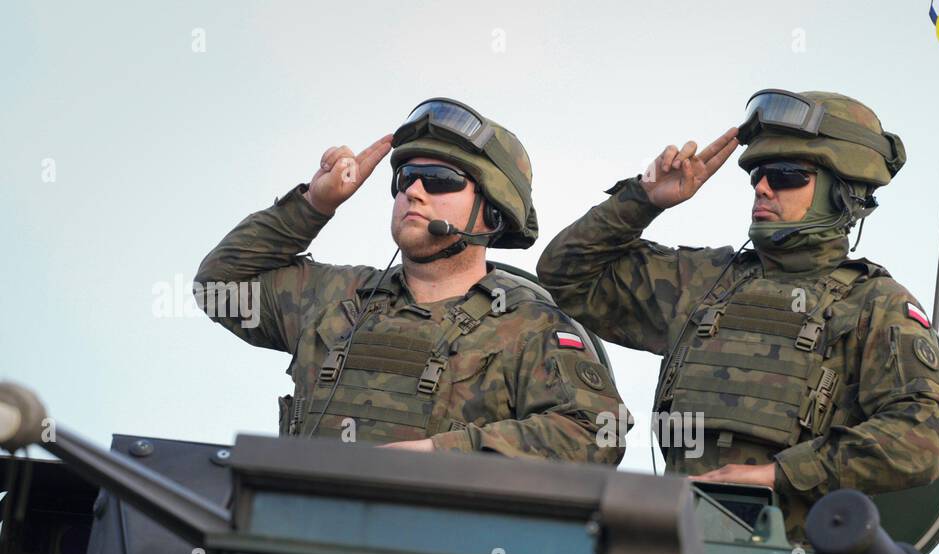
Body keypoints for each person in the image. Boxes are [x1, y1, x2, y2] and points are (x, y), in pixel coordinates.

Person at [537, 90, 939, 539]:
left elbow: (925, 437)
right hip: (673, 544)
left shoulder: (874, 304)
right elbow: (566, 275)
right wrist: (644, 198)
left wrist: (779, 475)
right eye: (758, 175)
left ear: (843, 193)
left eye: (785, 176)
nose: (762, 187)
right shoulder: (704, 281)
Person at [193, 97, 625, 465]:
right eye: (405, 178)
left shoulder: (532, 326)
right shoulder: (333, 297)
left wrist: (442, 455)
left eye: (439, 181)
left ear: (493, 212)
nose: (413, 192)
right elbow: (219, 286)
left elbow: (596, 433)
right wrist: (314, 204)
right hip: (305, 539)